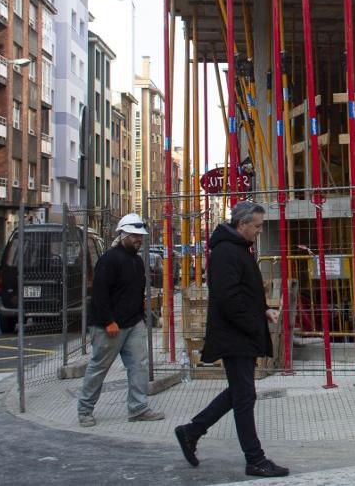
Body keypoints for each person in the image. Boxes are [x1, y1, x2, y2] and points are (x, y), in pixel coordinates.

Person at [174, 201, 287, 478]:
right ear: (242, 224)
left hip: (240, 333)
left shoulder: (237, 249)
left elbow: (243, 292)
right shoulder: (226, 252)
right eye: (257, 226)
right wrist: (254, 324)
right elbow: (228, 298)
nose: (260, 231)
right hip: (236, 335)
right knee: (244, 395)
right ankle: (255, 458)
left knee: (239, 392)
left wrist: (263, 310)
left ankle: (192, 431)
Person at [77, 213, 164, 426]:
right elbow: (99, 293)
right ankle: (85, 411)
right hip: (110, 326)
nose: (138, 239)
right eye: (134, 235)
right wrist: (108, 321)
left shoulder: (135, 260)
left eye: (140, 236)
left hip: (133, 323)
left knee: (139, 366)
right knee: (99, 367)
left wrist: (140, 319)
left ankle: (138, 409)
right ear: (123, 234)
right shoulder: (109, 260)